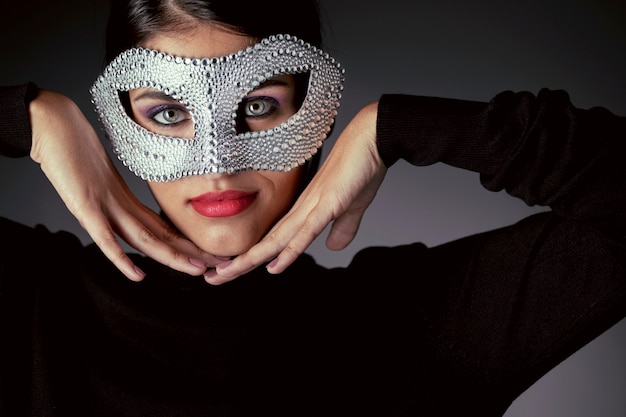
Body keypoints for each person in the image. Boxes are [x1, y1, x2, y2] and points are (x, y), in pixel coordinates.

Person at [1, 0, 625, 416]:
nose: (218, 163)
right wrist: (30, 116)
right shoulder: (32, 294)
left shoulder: (422, 322)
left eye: (260, 106)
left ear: (316, 114)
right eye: (168, 113)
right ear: (112, 127)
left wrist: (402, 126)